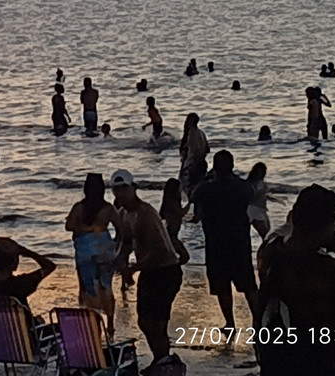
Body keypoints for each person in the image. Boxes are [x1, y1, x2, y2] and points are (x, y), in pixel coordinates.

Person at [254, 184, 335, 376]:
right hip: (322, 362)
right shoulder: (326, 271)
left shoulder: (270, 250)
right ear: (330, 226)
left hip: (278, 359)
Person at [111, 169, 183, 371]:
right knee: (144, 320)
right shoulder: (124, 214)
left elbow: (159, 251)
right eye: (117, 190)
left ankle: (164, 361)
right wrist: (119, 260)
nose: (121, 193)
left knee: (158, 323)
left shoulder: (146, 214)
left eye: (124, 188)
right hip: (149, 271)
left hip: (166, 270)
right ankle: (160, 358)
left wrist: (133, 269)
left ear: (133, 188)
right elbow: (126, 242)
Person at [191, 150, 258, 329]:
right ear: (232, 166)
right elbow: (250, 197)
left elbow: (196, 208)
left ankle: (230, 323)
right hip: (239, 241)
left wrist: (205, 179)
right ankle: (257, 320)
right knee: (249, 285)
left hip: (216, 242)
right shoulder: (244, 187)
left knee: (222, 286)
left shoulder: (205, 189)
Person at [64, 173, 120, 333]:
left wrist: (84, 229)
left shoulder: (79, 207)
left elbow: (68, 226)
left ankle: (91, 321)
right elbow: (120, 228)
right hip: (104, 247)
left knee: (86, 286)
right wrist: (115, 244)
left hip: (84, 248)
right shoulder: (108, 208)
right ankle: (110, 323)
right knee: (106, 286)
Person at [0, 237, 56, 320]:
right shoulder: (22, 283)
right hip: (25, 330)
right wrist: (26, 251)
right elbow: (50, 266)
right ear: (15, 262)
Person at [178, 113, 209, 195]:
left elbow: (191, 152)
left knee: (189, 189)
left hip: (191, 165)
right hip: (201, 163)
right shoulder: (201, 133)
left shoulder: (191, 134)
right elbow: (207, 149)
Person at [247, 162, 274, 239]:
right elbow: (251, 196)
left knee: (267, 233)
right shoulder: (250, 184)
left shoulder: (260, 183)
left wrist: (271, 198)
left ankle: (263, 250)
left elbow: (262, 195)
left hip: (261, 208)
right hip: (253, 209)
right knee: (265, 234)